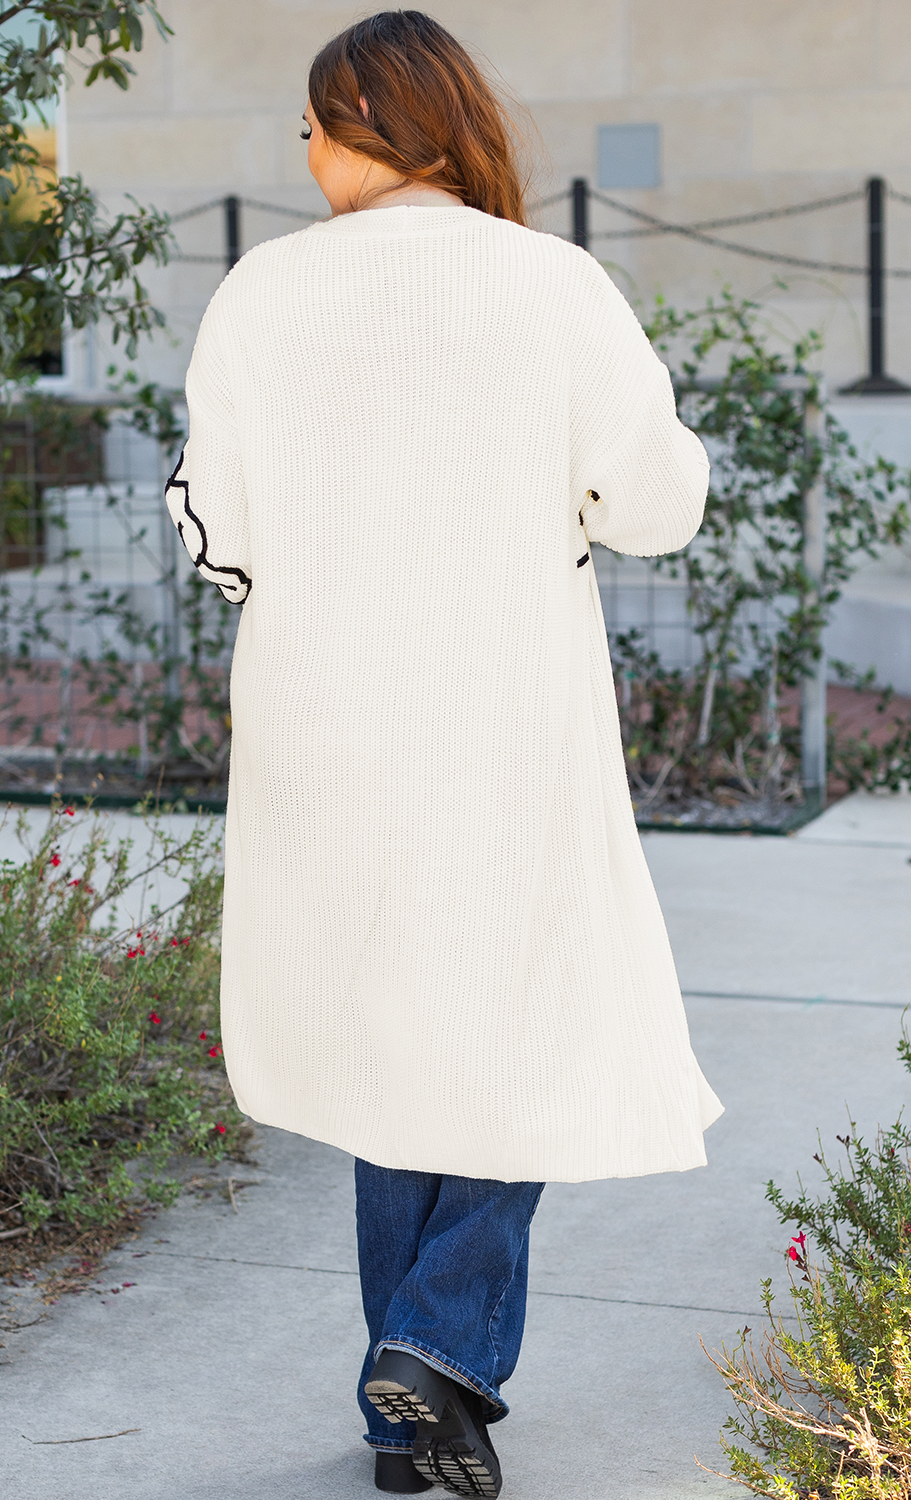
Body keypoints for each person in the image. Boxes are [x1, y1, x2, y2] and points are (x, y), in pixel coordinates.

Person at [165, 11, 723, 1496]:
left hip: (328, 725)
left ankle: (408, 1407)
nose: (303, 154)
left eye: (312, 128)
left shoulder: (263, 293)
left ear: (366, 129)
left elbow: (215, 531)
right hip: (503, 721)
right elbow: (655, 501)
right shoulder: (552, 284)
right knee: (514, 1024)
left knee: (393, 1037)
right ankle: (435, 1349)